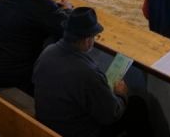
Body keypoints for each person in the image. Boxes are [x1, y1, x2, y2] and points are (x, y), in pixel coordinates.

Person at [33, 7, 156, 136]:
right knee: (137, 105)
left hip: (47, 124)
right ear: (87, 40)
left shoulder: (47, 52)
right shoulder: (87, 73)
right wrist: (121, 95)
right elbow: (111, 115)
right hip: (76, 131)